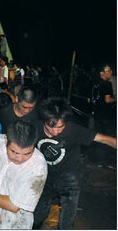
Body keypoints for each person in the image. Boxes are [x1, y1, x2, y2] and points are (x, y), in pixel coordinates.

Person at [32, 97, 117, 229]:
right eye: (50, 127)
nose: (55, 132)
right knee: (38, 215)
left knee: (67, 222)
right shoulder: (35, 127)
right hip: (44, 177)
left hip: (69, 179)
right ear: (44, 121)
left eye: (60, 127)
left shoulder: (74, 130)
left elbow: (105, 140)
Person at [0, 120, 47, 229]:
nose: (20, 159)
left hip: (12, 223)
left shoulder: (37, 167)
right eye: (14, 152)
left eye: (27, 154)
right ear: (6, 140)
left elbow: (14, 205)